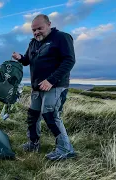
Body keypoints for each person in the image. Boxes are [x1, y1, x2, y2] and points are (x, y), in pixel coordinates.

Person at [12, 14, 76, 160]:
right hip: (37, 87)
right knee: (33, 115)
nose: (36, 32)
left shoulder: (62, 37)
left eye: (39, 28)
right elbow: (27, 60)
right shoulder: (33, 42)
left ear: (49, 24)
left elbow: (69, 61)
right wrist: (20, 57)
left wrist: (51, 80)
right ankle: (33, 143)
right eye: (33, 30)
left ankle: (65, 149)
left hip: (55, 86)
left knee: (51, 115)